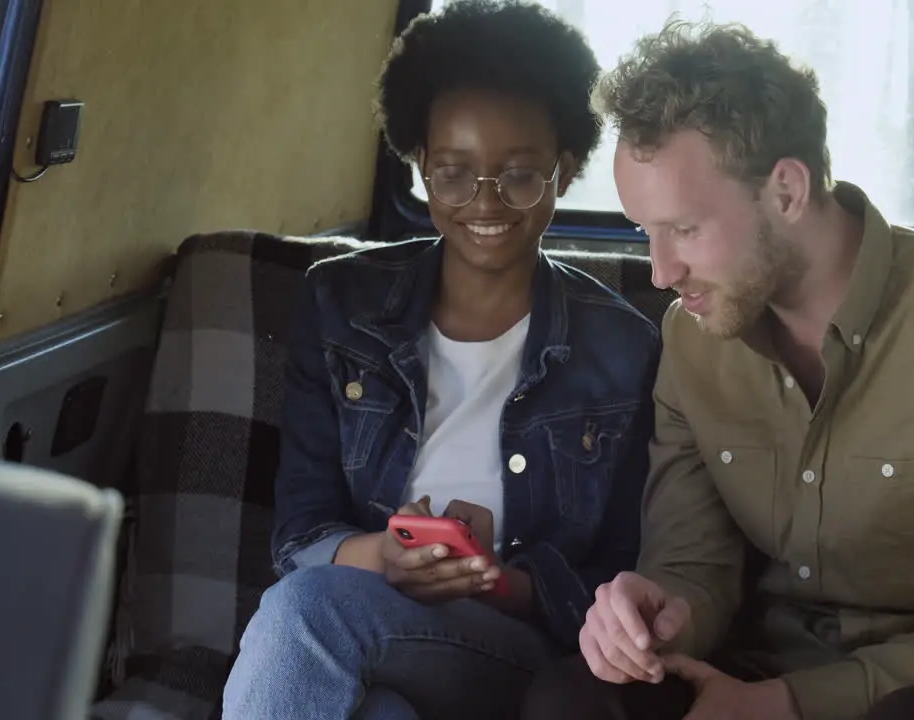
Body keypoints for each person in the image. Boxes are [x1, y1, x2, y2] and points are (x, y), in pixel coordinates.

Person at [521, 19, 914, 720]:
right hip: (746, 674)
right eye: (647, 232)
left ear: (786, 191)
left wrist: (784, 704)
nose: (663, 272)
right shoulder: (693, 337)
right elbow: (693, 567)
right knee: (570, 699)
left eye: (686, 229)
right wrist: (657, 615)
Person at [220, 2, 661, 718]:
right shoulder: (339, 306)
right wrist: (387, 558)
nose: (484, 204)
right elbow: (300, 533)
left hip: (520, 658)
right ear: (420, 164)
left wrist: (495, 581)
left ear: (565, 167)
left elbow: (623, 574)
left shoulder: (624, 345)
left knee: (309, 611)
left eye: (520, 174)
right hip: (369, 631)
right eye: (453, 174)